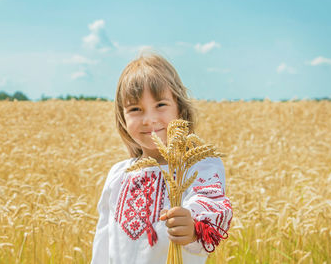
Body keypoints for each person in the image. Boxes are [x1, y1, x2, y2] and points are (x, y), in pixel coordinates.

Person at [91, 53, 232, 263]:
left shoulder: (199, 167)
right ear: (122, 117)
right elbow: (103, 240)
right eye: (135, 109)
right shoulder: (118, 175)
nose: (149, 120)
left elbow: (211, 205)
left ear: (180, 110)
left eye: (160, 105)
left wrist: (193, 227)